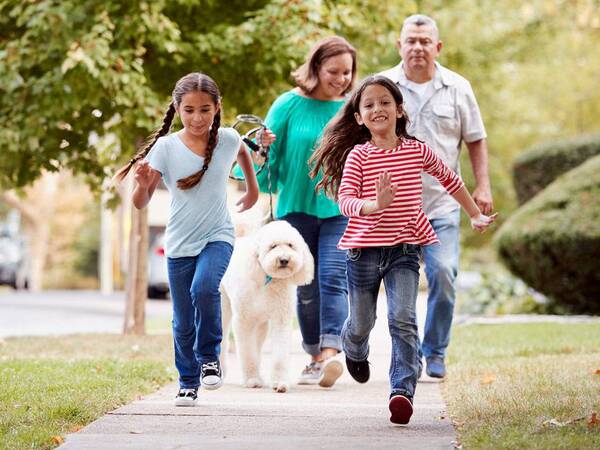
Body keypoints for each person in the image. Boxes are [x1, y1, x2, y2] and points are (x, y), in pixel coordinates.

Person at [310, 75, 496, 424]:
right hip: (363, 251)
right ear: (359, 118)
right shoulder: (358, 156)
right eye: (369, 105)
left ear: (399, 109)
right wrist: (374, 205)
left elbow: (450, 178)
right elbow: (346, 200)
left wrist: (474, 214)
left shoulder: (416, 149)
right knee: (362, 322)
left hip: (404, 249)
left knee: (403, 319)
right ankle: (354, 348)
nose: (377, 108)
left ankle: (401, 391)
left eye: (384, 102)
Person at [113, 72, 275, 407]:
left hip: (218, 235)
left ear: (217, 108)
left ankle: (210, 357)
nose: (197, 117)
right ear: (177, 108)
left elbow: (245, 155)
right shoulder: (165, 147)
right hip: (179, 244)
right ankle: (188, 382)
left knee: (205, 288)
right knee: (183, 319)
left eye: (204, 109)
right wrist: (142, 185)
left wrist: (253, 188)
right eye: (189, 110)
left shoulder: (228, 139)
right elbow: (140, 203)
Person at [379, 14, 493, 379]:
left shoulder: (458, 87)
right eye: (410, 40)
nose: (417, 47)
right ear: (400, 45)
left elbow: (475, 137)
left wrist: (483, 185)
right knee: (399, 290)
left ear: (437, 47)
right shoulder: (383, 87)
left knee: (444, 273)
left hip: (443, 204)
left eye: (424, 41)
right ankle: (407, 358)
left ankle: (436, 351)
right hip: (395, 209)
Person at [257, 36, 357, 387]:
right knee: (306, 285)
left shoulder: (350, 110)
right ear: (315, 68)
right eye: (334, 71)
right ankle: (313, 355)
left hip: (338, 209)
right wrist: (261, 149)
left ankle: (331, 353)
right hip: (296, 209)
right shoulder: (287, 105)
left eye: (347, 72)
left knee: (333, 277)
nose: (342, 79)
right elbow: (263, 159)